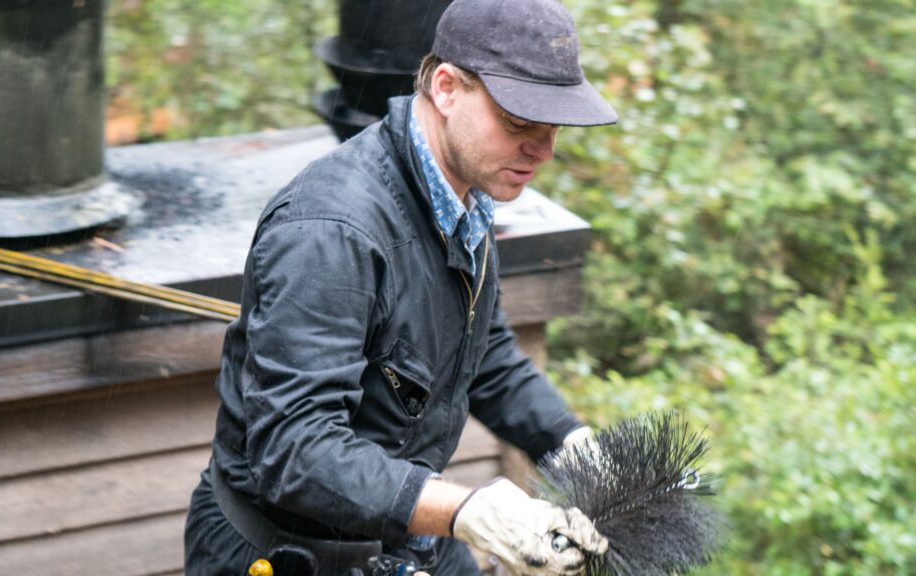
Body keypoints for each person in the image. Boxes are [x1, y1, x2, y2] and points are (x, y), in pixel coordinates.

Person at [184, 0, 618, 574]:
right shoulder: (330, 231)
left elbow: (484, 358)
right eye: (518, 123)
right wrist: (465, 511)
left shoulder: (466, 192)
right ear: (445, 87)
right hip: (287, 551)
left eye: (554, 126)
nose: (543, 151)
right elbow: (297, 449)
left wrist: (570, 442)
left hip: (404, 538)